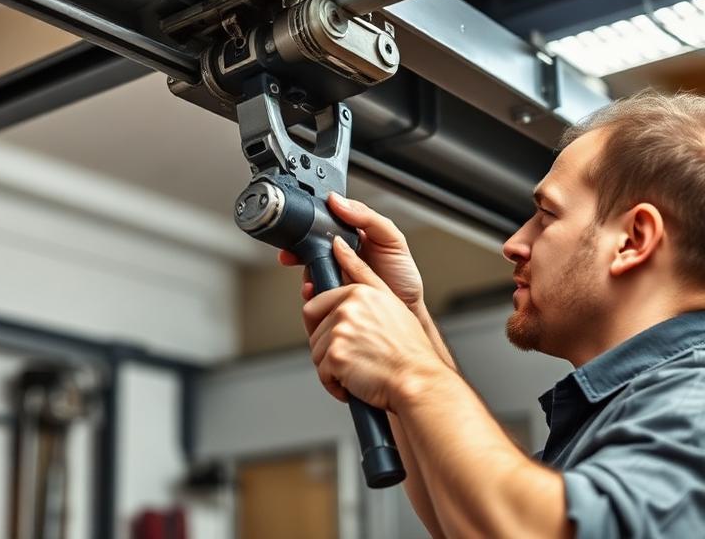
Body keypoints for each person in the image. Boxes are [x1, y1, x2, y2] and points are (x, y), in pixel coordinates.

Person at [279, 90, 705, 538]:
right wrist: (407, 320)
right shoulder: (639, 408)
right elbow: (474, 525)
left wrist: (414, 372)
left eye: (546, 214)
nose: (514, 243)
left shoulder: (692, 400)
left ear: (633, 239)